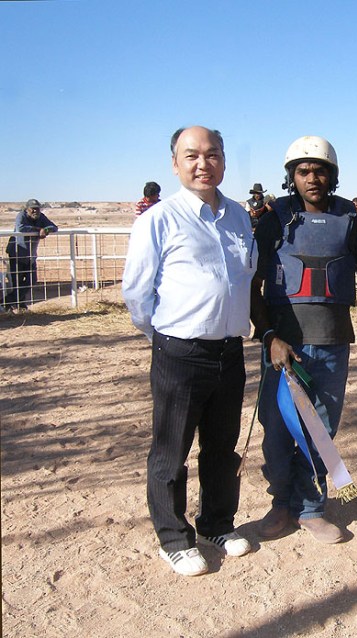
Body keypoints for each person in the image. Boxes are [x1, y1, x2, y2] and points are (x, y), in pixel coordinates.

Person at [250, 136, 357, 544]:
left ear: (332, 176)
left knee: (321, 429)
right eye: (303, 171)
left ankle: (313, 508)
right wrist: (268, 337)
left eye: (320, 170)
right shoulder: (274, 219)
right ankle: (281, 502)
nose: (312, 178)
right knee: (279, 428)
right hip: (283, 346)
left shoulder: (348, 219)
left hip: (333, 341)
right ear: (291, 177)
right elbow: (254, 285)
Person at [122, 125, 257, 577]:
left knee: (222, 446)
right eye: (192, 155)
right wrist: (164, 338)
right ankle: (173, 537)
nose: (204, 163)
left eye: (212, 154)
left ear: (223, 160)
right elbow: (138, 295)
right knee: (170, 449)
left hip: (229, 352)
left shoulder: (239, 217)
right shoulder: (158, 220)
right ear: (175, 163)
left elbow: (246, 279)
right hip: (179, 352)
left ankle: (216, 523)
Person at [3, 199, 58, 312]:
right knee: (17, 282)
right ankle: (19, 305)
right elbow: (21, 228)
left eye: (37, 208)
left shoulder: (41, 217)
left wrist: (46, 229)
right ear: (27, 209)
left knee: (32, 280)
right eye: (32, 208)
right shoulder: (21, 215)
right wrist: (39, 230)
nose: (35, 211)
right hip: (17, 254)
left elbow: (54, 227)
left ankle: (7, 301)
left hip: (31, 256)